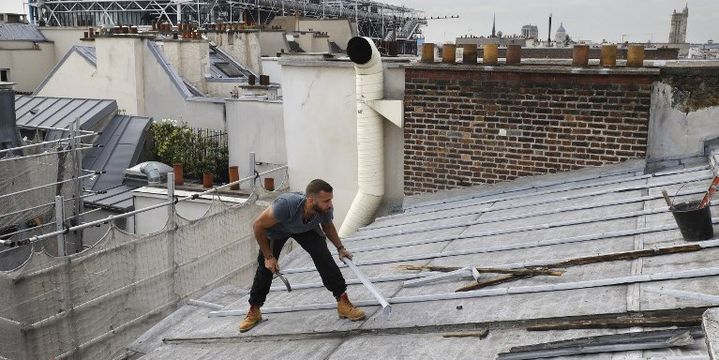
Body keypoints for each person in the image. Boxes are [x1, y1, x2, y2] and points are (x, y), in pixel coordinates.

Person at [239, 179, 366, 332]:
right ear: (311, 200)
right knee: (265, 269)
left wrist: (340, 248)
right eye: (326, 200)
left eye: (330, 199)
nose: (330, 204)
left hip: (307, 229)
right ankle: (254, 310)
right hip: (278, 231)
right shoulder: (285, 205)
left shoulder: (324, 209)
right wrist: (268, 256)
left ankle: (343, 303)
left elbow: (328, 226)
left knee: (324, 258)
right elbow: (258, 225)